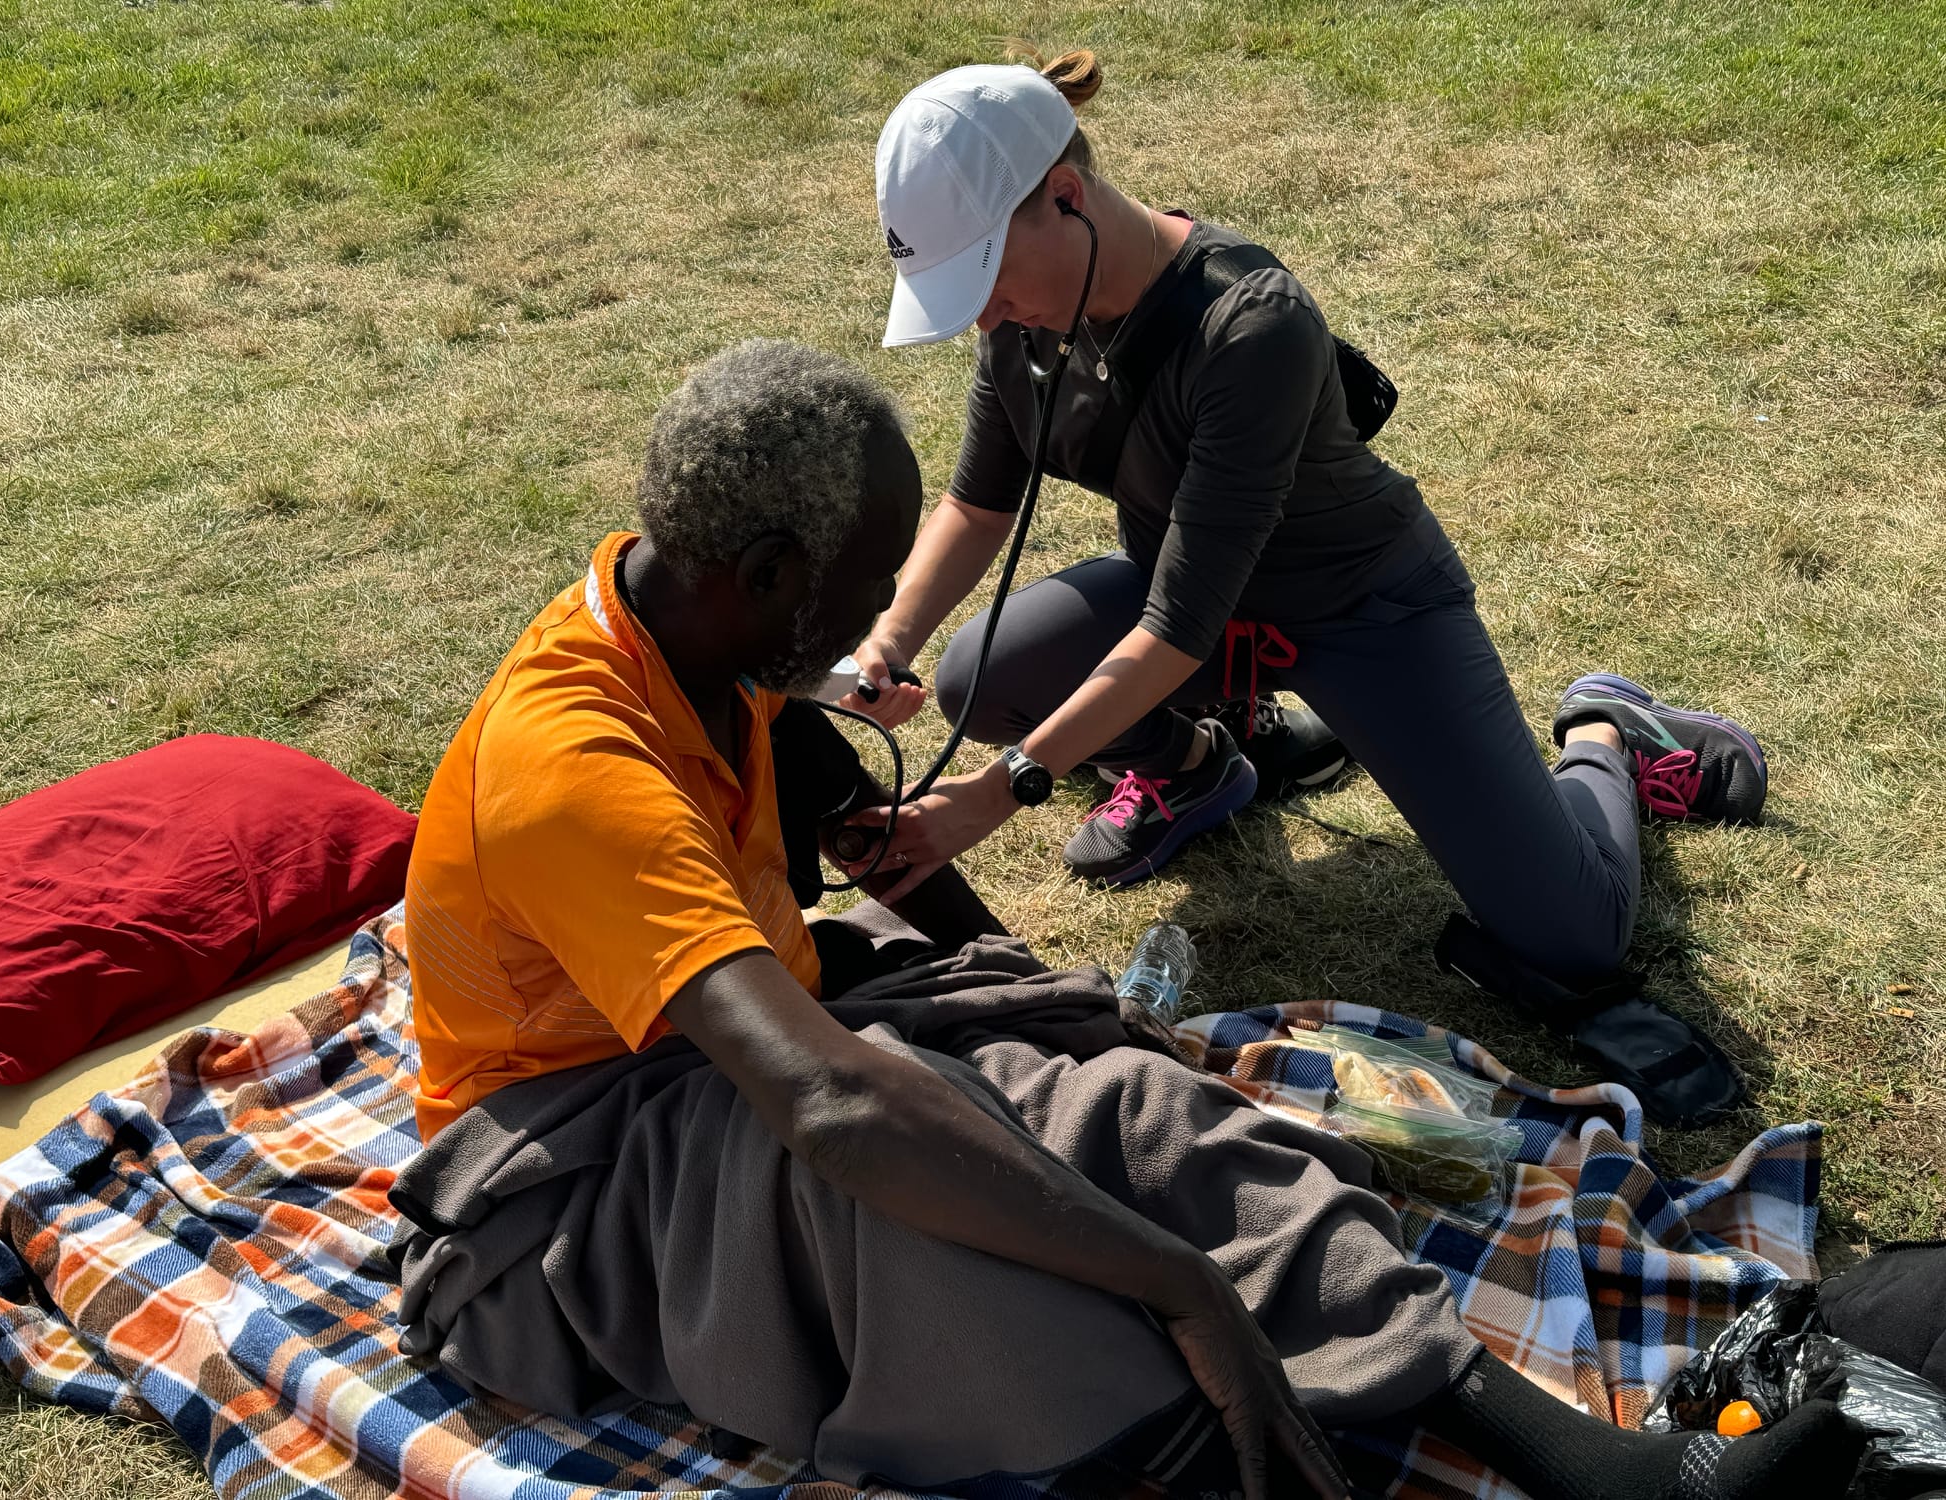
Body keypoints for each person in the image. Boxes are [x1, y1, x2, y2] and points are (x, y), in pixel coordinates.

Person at [394, 340, 1863, 1500]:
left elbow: (872, 851)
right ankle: (1221, 1428)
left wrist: (1013, 988)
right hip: (568, 1166)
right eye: (856, 591)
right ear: (769, 576)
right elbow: (829, 1103)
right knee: (933, 1229)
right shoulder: (570, 765)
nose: (869, 631)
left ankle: (1584, 1465)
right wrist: (1171, 1283)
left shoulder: (708, 631)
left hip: (758, 1040)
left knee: (1121, 1109)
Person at [845, 49, 1770, 1123]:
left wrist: (998, 792)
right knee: (979, 675)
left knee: (1569, 933)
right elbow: (978, 506)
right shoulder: (1026, 327)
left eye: (985, 279)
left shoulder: (1252, 323)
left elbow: (1176, 632)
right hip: (1189, 605)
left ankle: (1605, 736)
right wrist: (887, 643)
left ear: (1065, 196)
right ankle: (1198, 770)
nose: (979, 317)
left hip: (1363, 609)